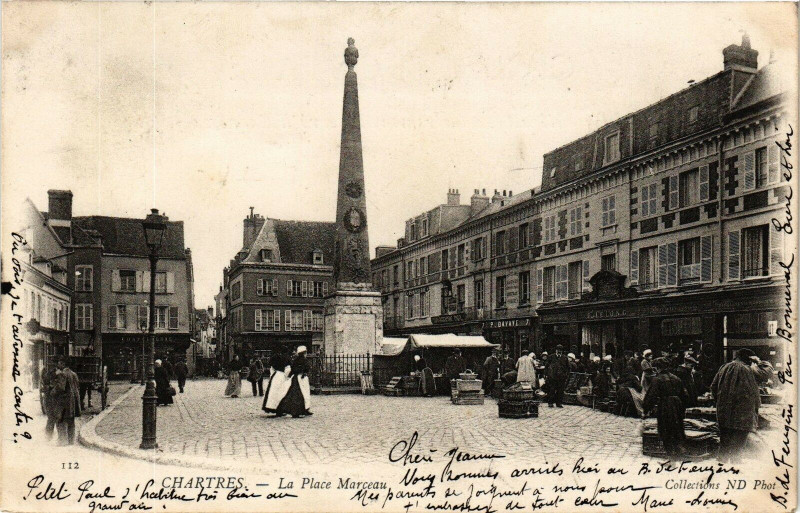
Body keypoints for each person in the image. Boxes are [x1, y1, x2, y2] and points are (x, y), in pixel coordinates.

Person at [710, 348, 770, 462]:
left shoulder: (723, 368)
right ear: (749, 359)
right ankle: (735, 471)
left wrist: (720, 402)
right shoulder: (749, 369)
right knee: (737, 449)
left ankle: (720, 472)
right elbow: (767, 372)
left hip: (724, 414)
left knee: (724, 447)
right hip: (743, 416)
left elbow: (713, 387)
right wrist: (759, 361)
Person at [643, 357, 688, 459]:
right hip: (677, 406)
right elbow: (685, 395)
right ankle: (678, 450)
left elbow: (651, 396)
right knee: (677, 428)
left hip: (665, 406)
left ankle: (670, 455)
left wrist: (646, 409)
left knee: (665, 430)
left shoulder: (657, 379)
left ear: (658, 368)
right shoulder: (677, 378)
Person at [276, 346, 312, 417]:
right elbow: (306, 368)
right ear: (304, 353)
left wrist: (289, 376)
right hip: (301, 378)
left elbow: (293, 369)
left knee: (293, 394)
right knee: (301, 394)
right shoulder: (304, 360)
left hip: (296, 378)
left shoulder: (296, 360)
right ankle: (299, 410)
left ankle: (303, 409)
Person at [52, 357, 81, 445]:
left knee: (60, 420)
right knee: (71, 421)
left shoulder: (62, 374)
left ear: (63, 364)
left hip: (63, 401)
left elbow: (61, 387)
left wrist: (52, 391)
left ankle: (62, 441)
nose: (58, 365)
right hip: (72, 401)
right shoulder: (74, 374)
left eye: (59, 363)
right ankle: (71, 441)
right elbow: (77, 387)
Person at [263, 348, 292, 415]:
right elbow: (288, 369)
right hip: (282, 375)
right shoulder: (286, 358)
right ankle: (280, 409)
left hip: (275, 376)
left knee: (274, 393)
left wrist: (272, 376)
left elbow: (272, 368)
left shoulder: (275, 357)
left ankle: (274, 408)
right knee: (282, 393)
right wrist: (287, 376)